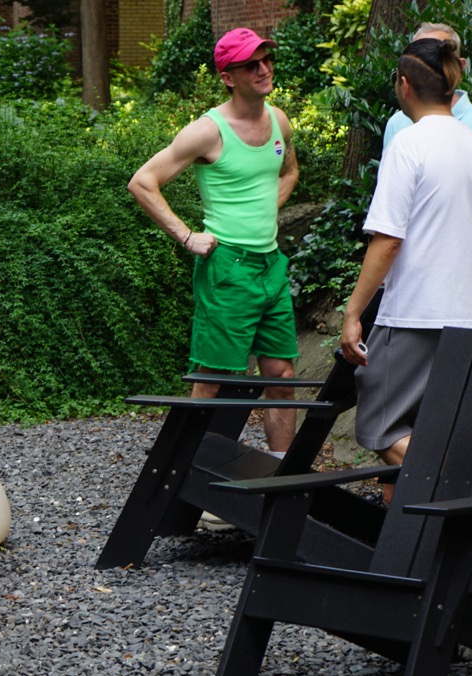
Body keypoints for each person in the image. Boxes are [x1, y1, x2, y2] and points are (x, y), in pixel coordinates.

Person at [128, 28, 301, 461]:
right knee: (214, 378)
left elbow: (288, 172)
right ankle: (182, 479)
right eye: (250, 65)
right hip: (228, 268)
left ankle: (280, 480)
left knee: (281, 375)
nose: (263, 69)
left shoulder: (278, 119)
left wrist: (265, 212)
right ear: (228, 76)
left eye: (266, 60)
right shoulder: (207, 131)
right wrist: (186, 236)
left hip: (270, 266)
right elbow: (143, 183)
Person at [341, 37, 472, 498]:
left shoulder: (409, 144)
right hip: (467, 315)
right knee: (429, 425)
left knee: (380, 427)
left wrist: (352, 313)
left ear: (404, 85)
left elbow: (387, 241)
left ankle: (463, 492)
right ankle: (409, 543)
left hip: (414, 317)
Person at [383, 22, 472, 329]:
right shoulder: (397, 124)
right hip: (404, 299)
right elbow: (390, 217)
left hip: (458, 301)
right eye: (417, 54)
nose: (426, 63)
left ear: (459, 66)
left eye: (436, 56)